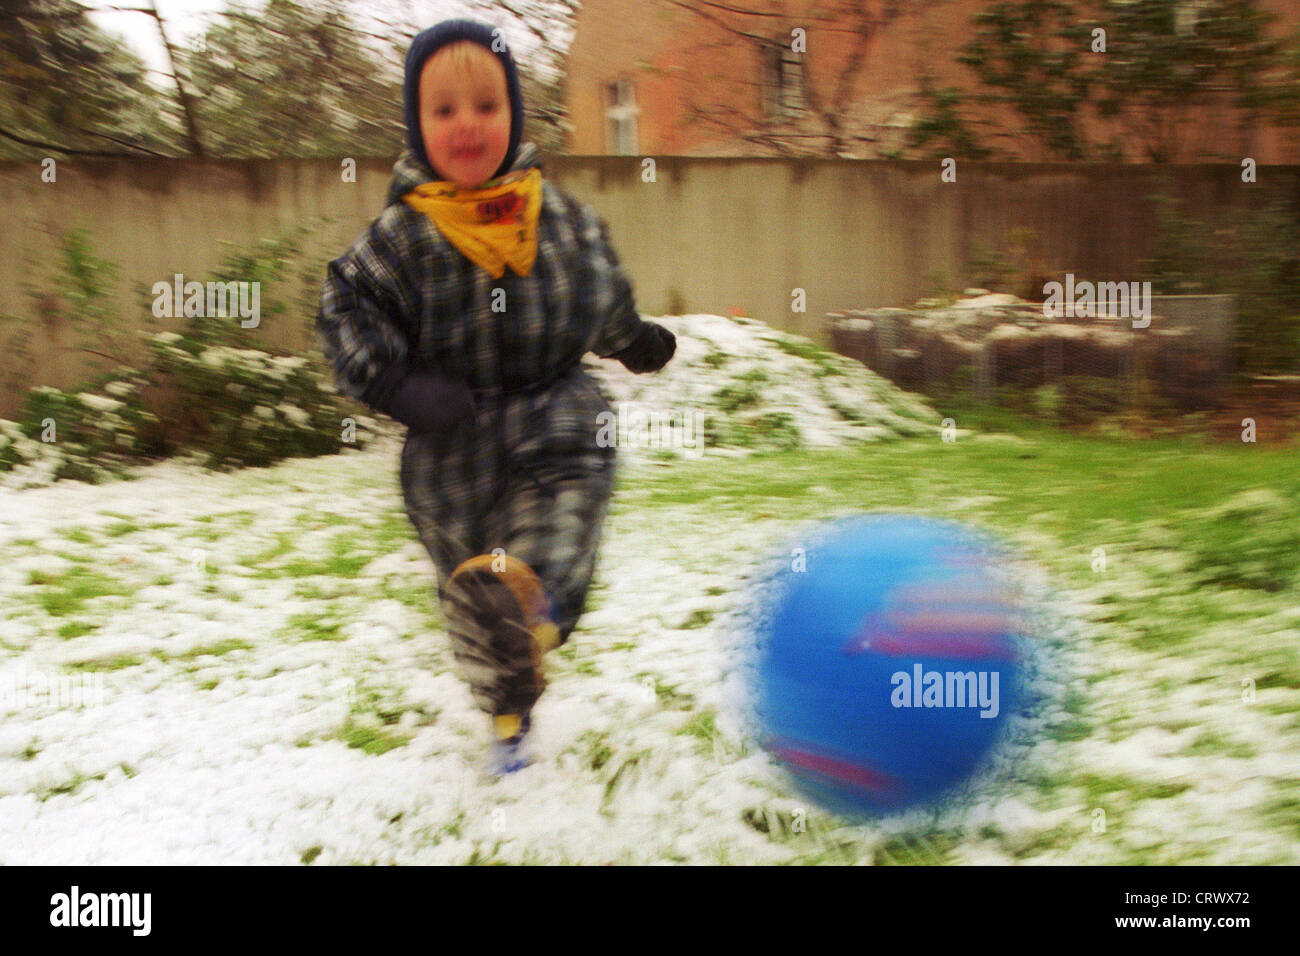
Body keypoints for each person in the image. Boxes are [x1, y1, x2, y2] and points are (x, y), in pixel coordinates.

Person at [316, 19, 676, 774]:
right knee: (476, 597)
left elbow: (597, 288)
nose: (468, 124)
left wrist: (631, 338)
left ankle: (525, 600)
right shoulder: (401, 237)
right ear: (418, 123)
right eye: (444, 109)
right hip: (451, 442)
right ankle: (507, 708)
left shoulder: (560, 219)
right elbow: (346, 309)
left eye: (486, 103)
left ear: (514, 113)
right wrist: (397, 382)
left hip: (556, 412)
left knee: (552, 530)